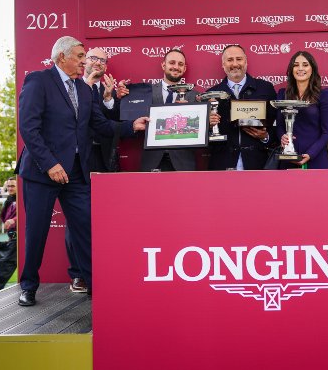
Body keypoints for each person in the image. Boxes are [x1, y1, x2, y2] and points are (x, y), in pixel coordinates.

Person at [17, 35, 148, 306]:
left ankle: (94, 284)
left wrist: (131, 127)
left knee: (86, 228)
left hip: (77, 172)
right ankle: (28, 286)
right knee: (36, 232)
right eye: (79, 56)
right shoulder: (38, 81)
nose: (83, 61)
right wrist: (50, 164)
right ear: (61, 57)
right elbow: (29, 128)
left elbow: (100, 125)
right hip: (42, 172)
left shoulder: (85, 89)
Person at [64, 47, 120, 294]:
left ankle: (103, 270)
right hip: (78, 160)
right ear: (84, 61)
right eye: (94, 58)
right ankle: (78, 274)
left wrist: (109, 98)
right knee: (76, 218)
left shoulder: (107, 89)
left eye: (103, 60)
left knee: (105, 220)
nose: (98, 63)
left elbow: (109, 123)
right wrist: (86, 86)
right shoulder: (71, 87)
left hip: (103, 160)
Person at [120, 49, 198, 171]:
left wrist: (188, 114)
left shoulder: (195, 96)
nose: (176, 67)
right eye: (172, 62)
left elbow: (199, 131)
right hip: (151, 161)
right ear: (163, 65)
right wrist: (118, 98)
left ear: (184, 68)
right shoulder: (145, 92)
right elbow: (127, 119)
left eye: (180, 64)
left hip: (183, 163)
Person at [207, 45, 277, 170]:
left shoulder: (265, 88)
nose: (235, 64)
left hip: (258, 164)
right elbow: (204, 136)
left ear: (246, 62)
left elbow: (276, 124)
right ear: (223, 64)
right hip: (222, 164)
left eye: (239, 59)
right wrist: (208, 125)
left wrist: (265, 137)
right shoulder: (211, 94)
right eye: (230, 60)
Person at [277, 51, 328, 169]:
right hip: (288, 159)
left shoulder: (324, 95)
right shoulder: (283, 94)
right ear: (291, 69)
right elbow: (279, 126)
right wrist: (282, 137)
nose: (300, 68)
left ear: (312, 69)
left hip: (316, 159)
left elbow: (327, 132)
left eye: (305, 65)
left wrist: (311, 154)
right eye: (296, 65)